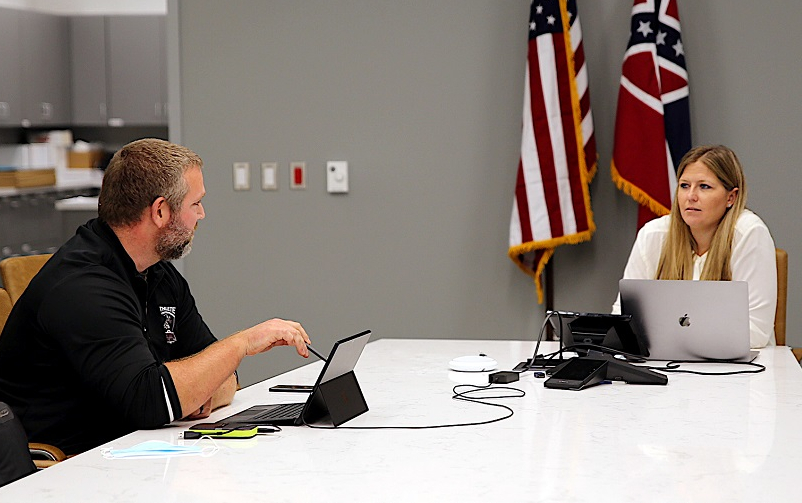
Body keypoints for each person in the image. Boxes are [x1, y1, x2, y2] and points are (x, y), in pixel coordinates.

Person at [0, 138, 312, 455]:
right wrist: (241, 344)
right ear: (160, 211)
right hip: (69, 467)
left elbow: (225, 377)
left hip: (138, 448)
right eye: (195, 203)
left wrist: (189, 389)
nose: (201, 215)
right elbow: (152, 403)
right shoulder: (82, 286)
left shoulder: (156, 272)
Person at [612, 145, 777, 348]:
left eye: (704, 187)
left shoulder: (749, 234)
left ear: (731, 197)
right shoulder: (653, 235)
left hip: (738, 369)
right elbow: (623, 316)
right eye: (684, 186)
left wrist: (667, 335)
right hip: (665, 363)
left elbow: (756, 332)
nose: (691, 196)